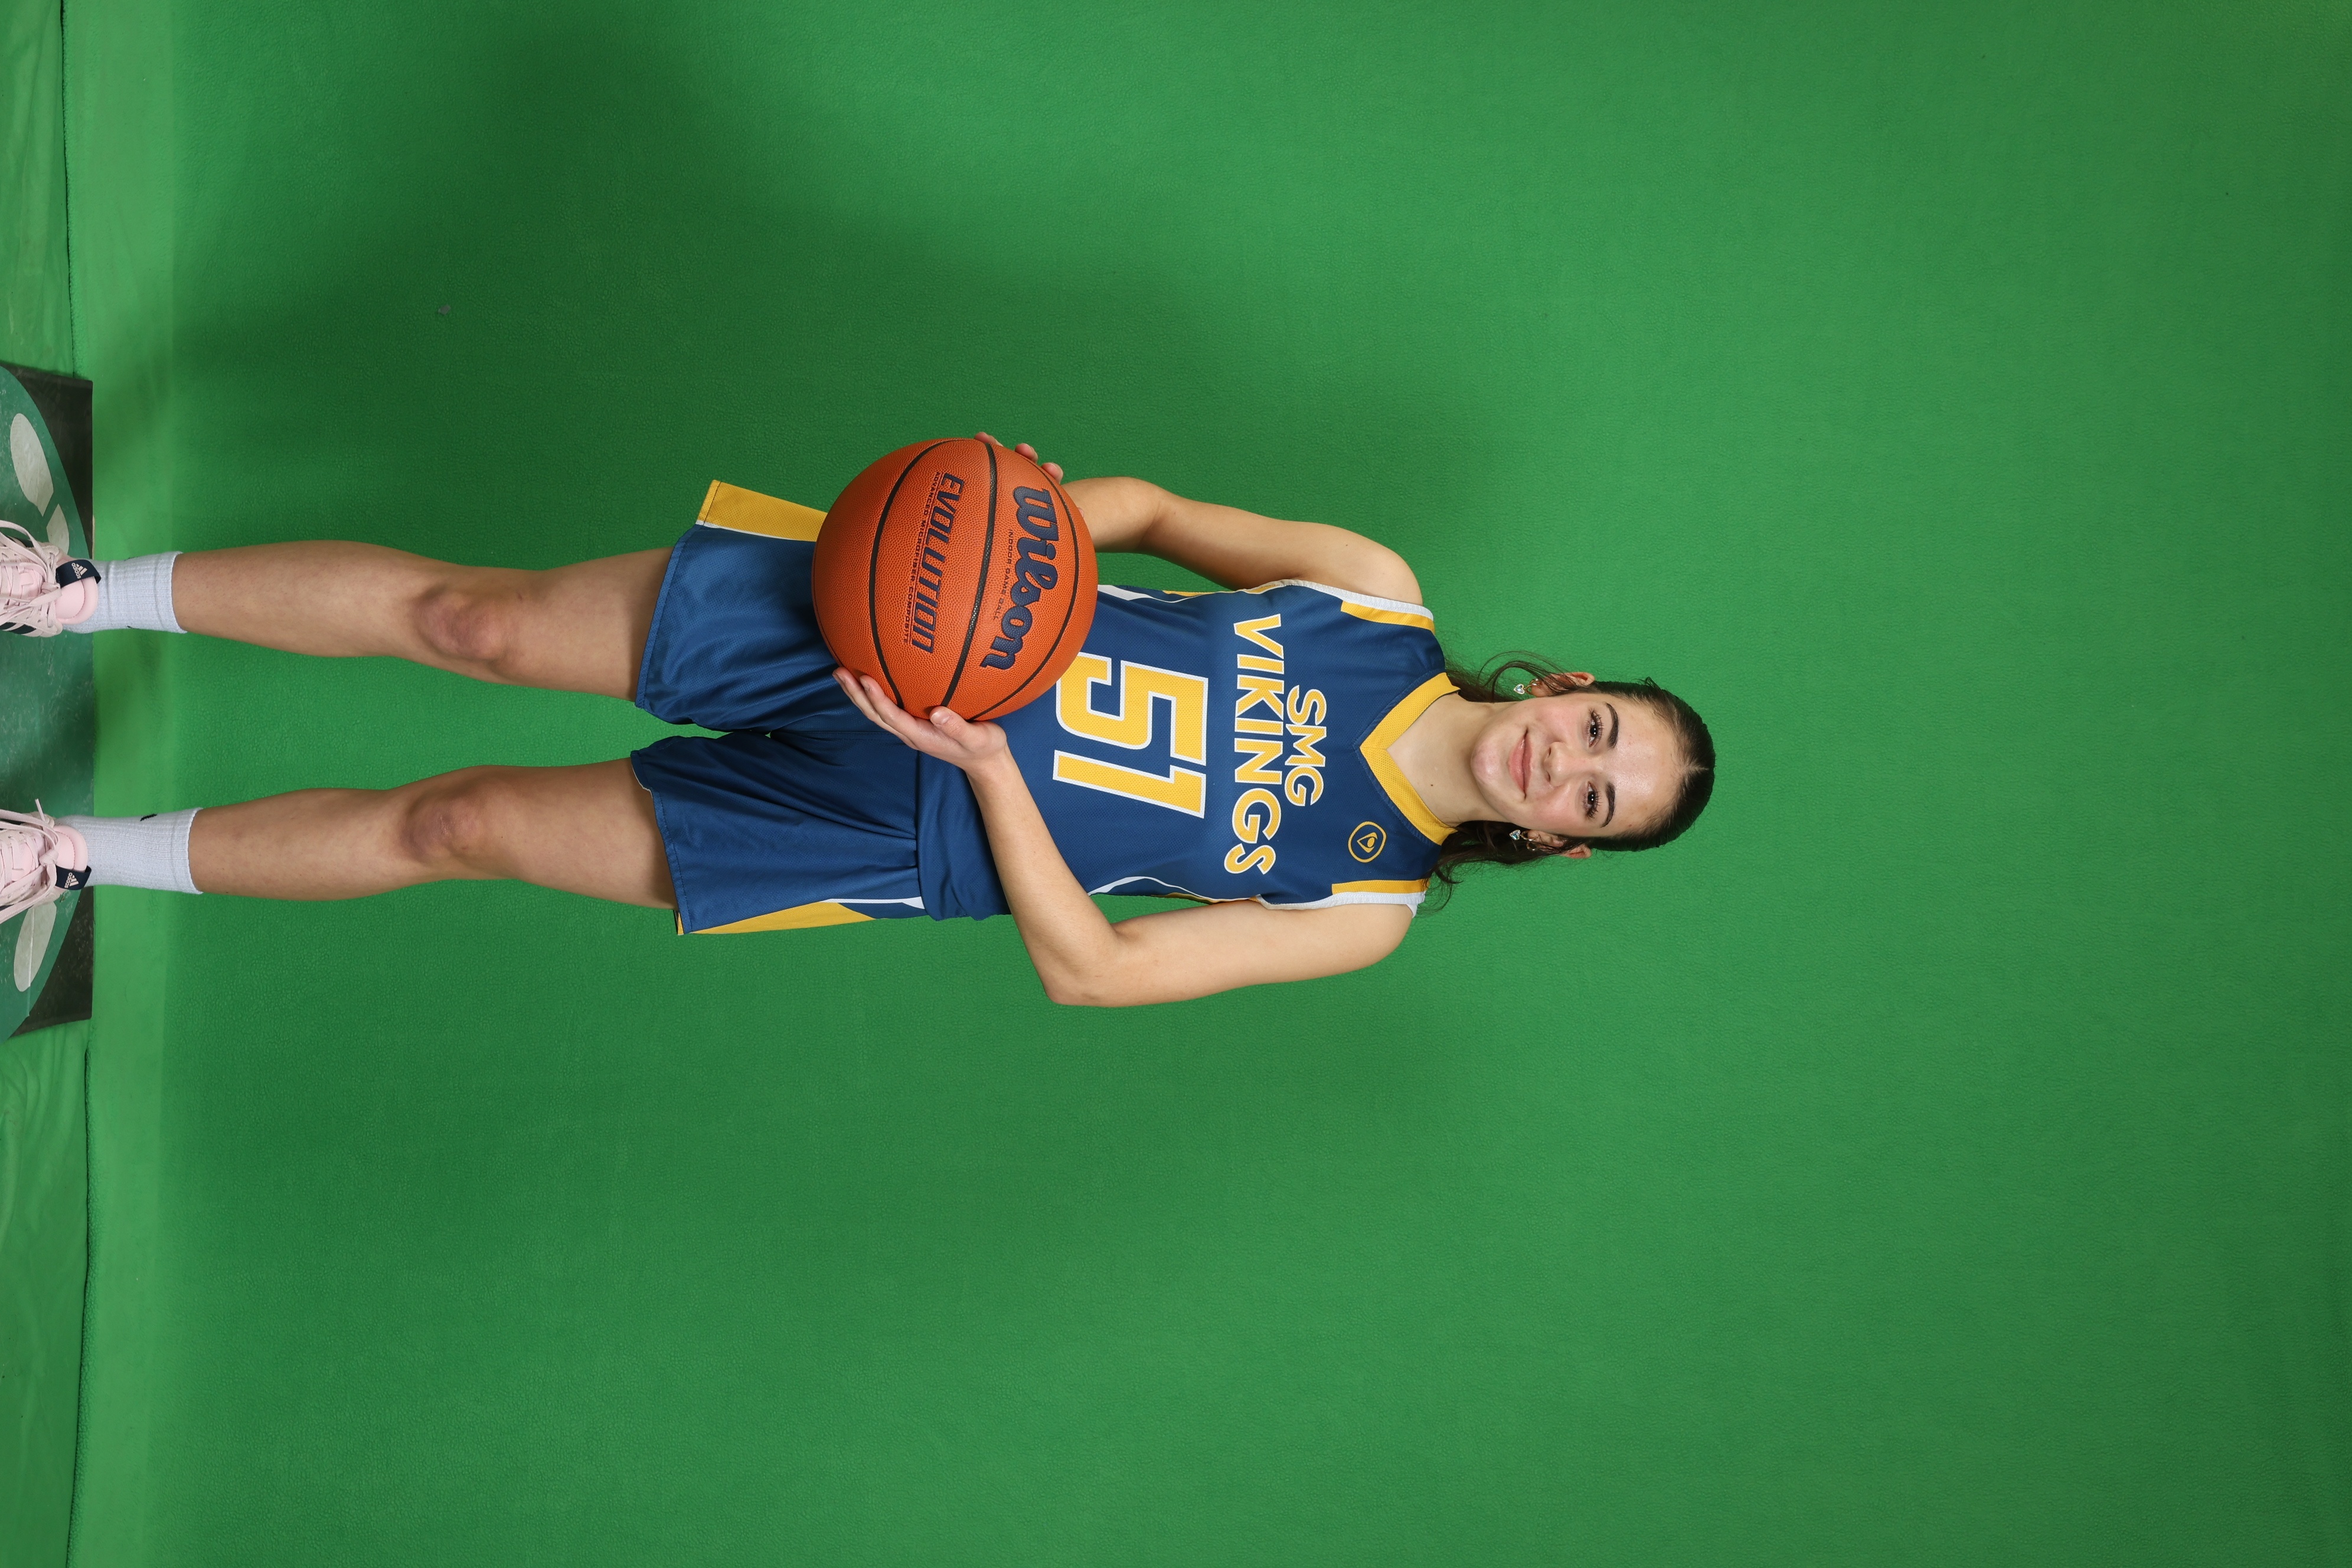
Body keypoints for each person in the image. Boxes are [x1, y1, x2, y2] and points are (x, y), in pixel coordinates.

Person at [0, 437, 1713, 1005]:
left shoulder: (1369, 904)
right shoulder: (1370, 595)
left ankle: (73, 856)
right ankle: (76, 591)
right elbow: (1140, 508)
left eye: (1598, 801)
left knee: (463, 825)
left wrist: (987, 766)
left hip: (907, 826)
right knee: (479, 622)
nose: (1568, 768)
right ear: (1570, 690)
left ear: (1562, 843)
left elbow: (1095, 969)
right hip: (875, 630)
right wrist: (1017, 525)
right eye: (1600, 735)